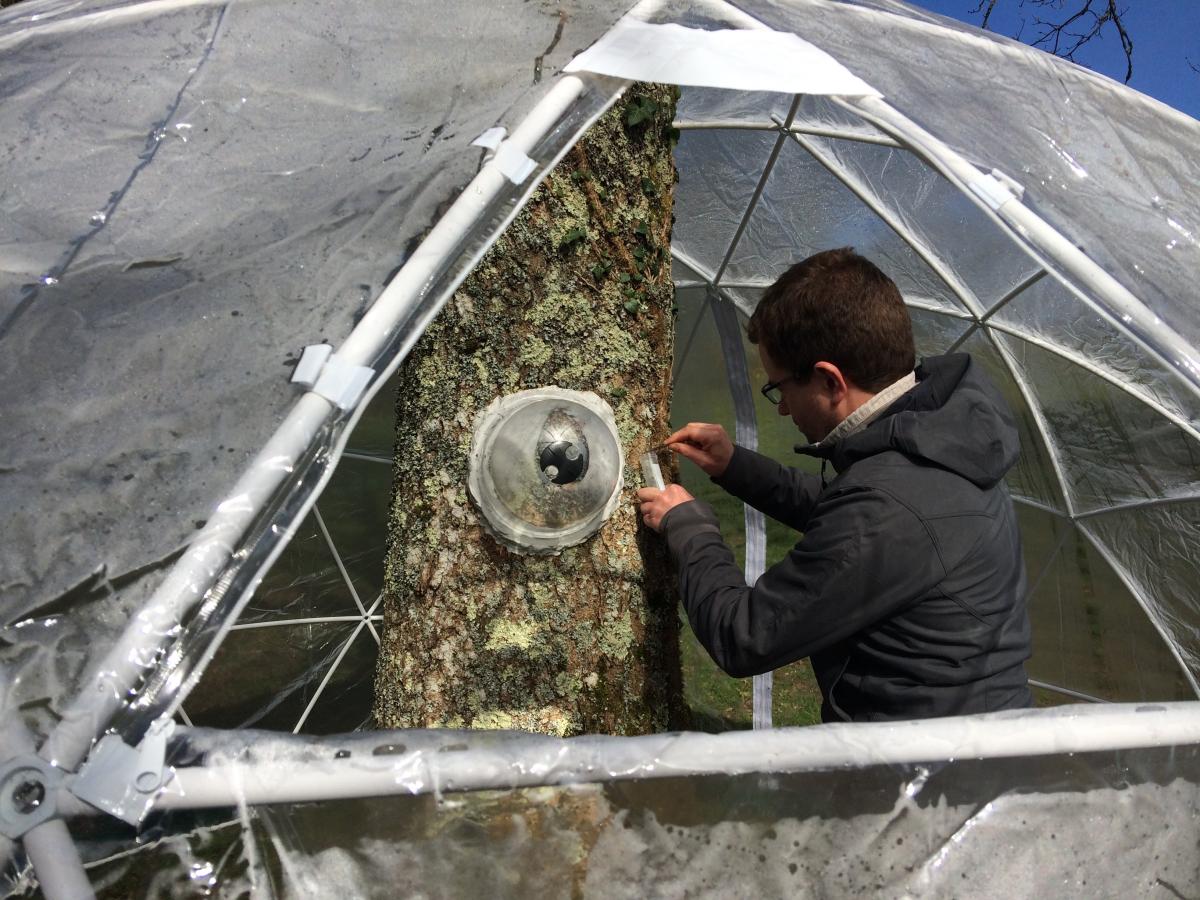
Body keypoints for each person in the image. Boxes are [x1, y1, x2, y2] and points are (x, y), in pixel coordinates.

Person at [638, 248, 1033, 722]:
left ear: (829, 380)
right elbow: (841, 514)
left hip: (919, 774)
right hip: (978, 735)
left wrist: (690, 527)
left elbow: (744, 636)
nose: (782, 408)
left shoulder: (890, 504)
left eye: (779, 388)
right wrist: (733, 465)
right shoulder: (942, 437)